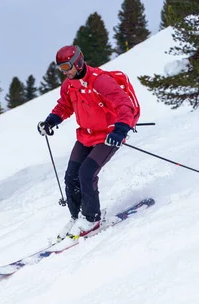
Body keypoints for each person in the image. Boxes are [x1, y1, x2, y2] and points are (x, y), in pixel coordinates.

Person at [37, 45, 140, 241]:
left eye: (67, 66)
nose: (64, 72)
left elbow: (124, 103)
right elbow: (65, 106)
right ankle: (77, 217)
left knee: (86, 173)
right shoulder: (69, 85)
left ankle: (91, 219)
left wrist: (120, 130)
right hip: (86, 135)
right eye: (60, 68)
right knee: (71, 177)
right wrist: (51, 120)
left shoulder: (100, 81)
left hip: (108, 135)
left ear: (78, 61)